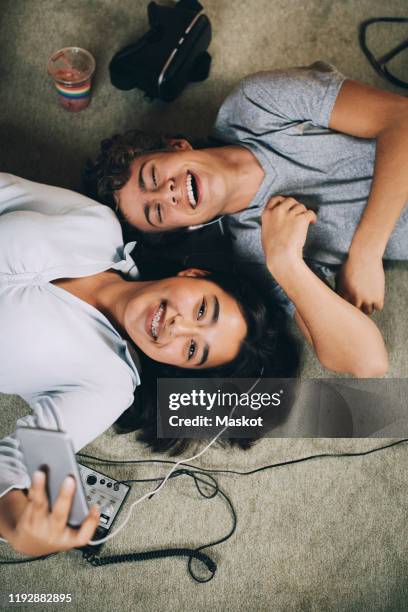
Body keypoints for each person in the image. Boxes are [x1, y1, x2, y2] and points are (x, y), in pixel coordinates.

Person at [0, 172, 298, 557]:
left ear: (180, 370)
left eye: (193, 350)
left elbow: (18, 463)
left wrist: (15, 523)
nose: (180, 327)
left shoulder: (109, 386)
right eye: (203, 309)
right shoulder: (97, 224)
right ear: (194, 274)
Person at [86, 61, 408, 377]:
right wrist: (287, 264)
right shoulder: (256, 253)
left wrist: (367, 250)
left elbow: (400, 118)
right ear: (183, 228)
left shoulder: (254, 105)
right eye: (156, 212)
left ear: (176, 146)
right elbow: (367, 362)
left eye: (152, 175)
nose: (166, 194)